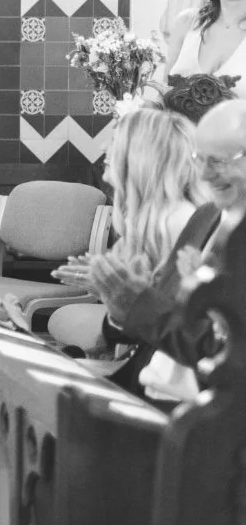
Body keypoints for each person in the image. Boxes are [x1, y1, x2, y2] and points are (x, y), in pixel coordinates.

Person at [48, 107, 214, 398]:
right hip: (148, 363)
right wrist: (116, 296)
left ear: (141, 154)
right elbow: (143, 319)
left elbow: (179, 323)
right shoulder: (142, 221)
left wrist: (130, 296)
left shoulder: (182, 220)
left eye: (116, 140)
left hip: (168, 384)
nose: (104, 147)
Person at [83, 99, 246, 387]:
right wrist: (122, 305)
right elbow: (159, 321)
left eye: (219, 161)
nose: (205, 175)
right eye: (200, 159)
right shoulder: (206, 216)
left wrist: (140, 302)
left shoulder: (185, 217)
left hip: (201, 413)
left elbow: (225, 353)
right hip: (145, 383)